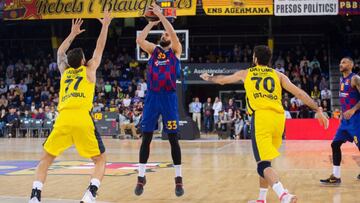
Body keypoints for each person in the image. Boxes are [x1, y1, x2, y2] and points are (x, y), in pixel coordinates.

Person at [200, 45, 329, 203]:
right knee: (266, 161)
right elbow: (299, 93)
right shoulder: (278, 75)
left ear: (255, 58)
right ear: (269, 59)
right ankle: (261, 199)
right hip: (278, 119)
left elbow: (221, 81)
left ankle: (283, 195)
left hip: (261, 118)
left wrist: (209, 77)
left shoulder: (246, 73)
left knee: (262, 165)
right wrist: (318, 109)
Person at [29, 13, 112, 203]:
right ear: (83, 61)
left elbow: (60, 53)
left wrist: (72, 33)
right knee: (100, 160)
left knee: (45, 159)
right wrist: (105, 25)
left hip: (63, 119)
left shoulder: (65, 72)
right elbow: (100, 47)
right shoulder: (89, 70)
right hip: (82, 118)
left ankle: (35, 195)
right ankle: (90, 193)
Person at [134, 3, 184, 197]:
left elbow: (171, 32)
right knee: (146, 137)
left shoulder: (176, 51)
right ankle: (141, 177)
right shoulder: (153, 51)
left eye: (167, 35)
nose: (165, 35)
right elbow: (139, 39)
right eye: (163, 35)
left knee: (173, 138)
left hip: (169, 98)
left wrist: (162, 17)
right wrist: (152, 22)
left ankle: (178, 179)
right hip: (153, 98)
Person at [320, 57, 360, 185]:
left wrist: (353, 110)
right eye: (340, 62)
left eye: (344, 62)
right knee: (335, 144)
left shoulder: (355, 79)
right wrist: (342, 113)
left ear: (351, 65)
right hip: (345, 121)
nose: (340, 64)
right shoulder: (342, 79)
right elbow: (347, 99)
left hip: (356, 119)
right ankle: (336, 176)